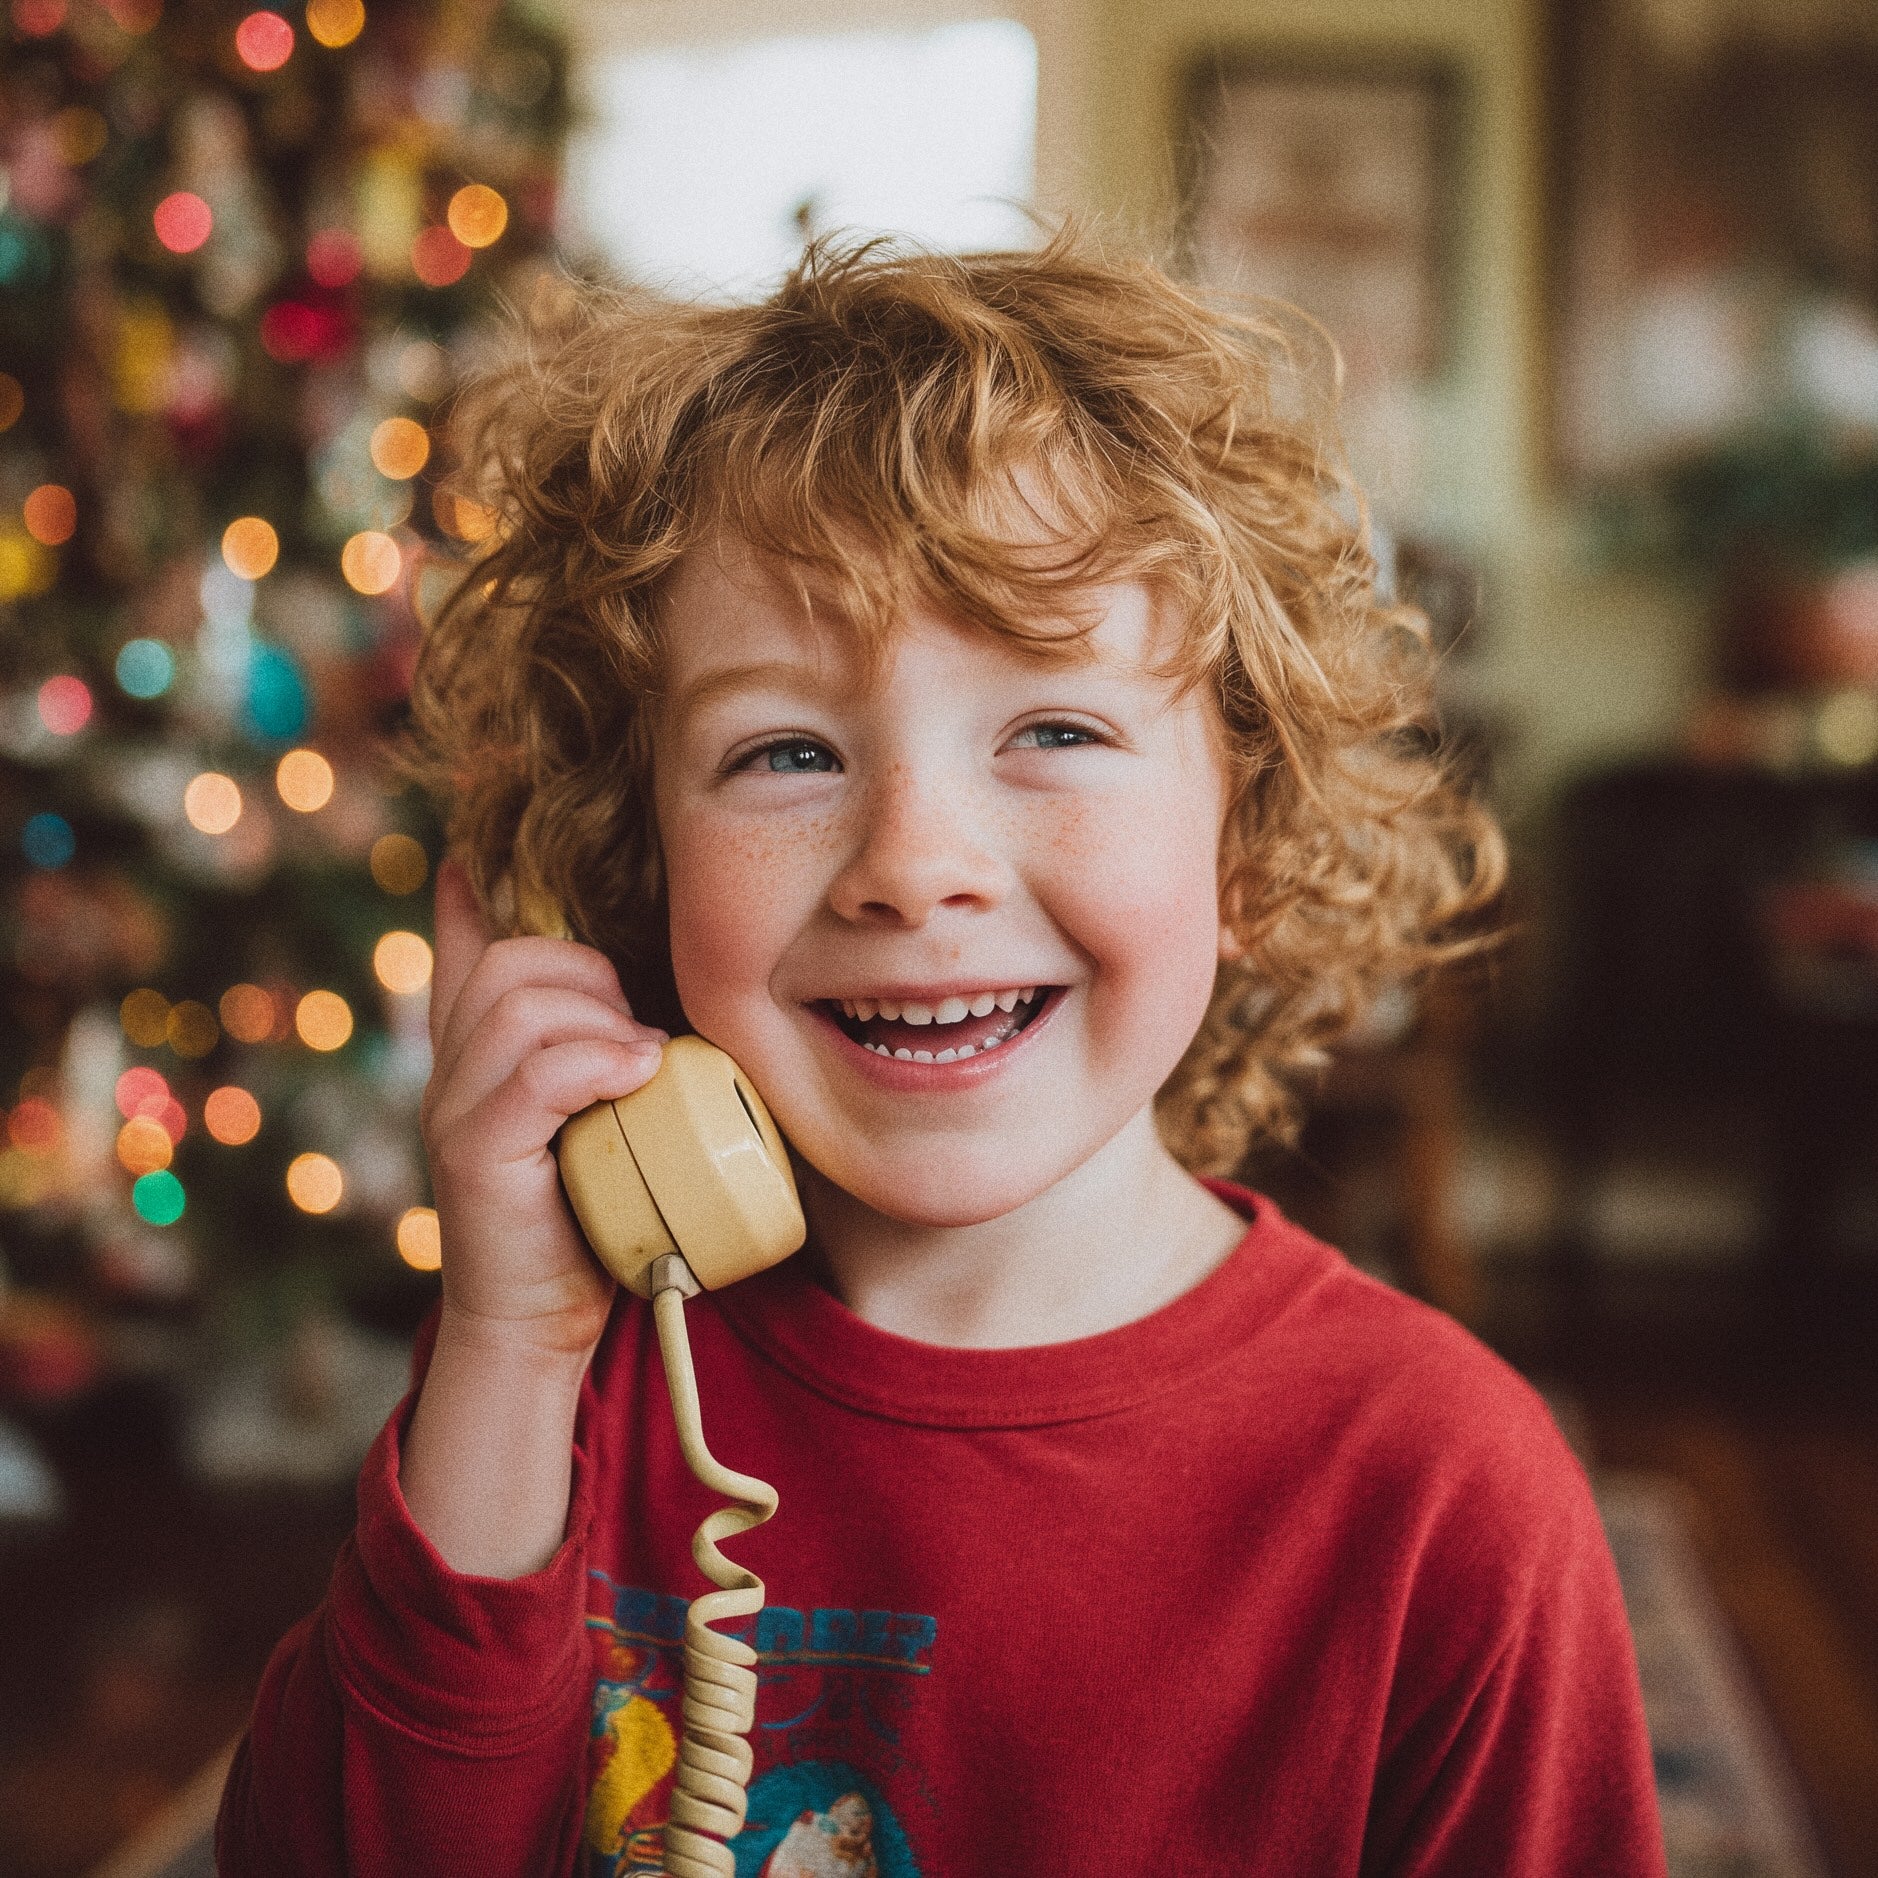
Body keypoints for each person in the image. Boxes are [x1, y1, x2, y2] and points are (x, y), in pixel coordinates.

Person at [217, 235, 1666, 1877]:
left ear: (1244, 844)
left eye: (1052, 729)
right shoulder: (565, 1381)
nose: (915, 861)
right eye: (783, 751)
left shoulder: (1439, 1493)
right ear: (638, 875)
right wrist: (504, 1341)